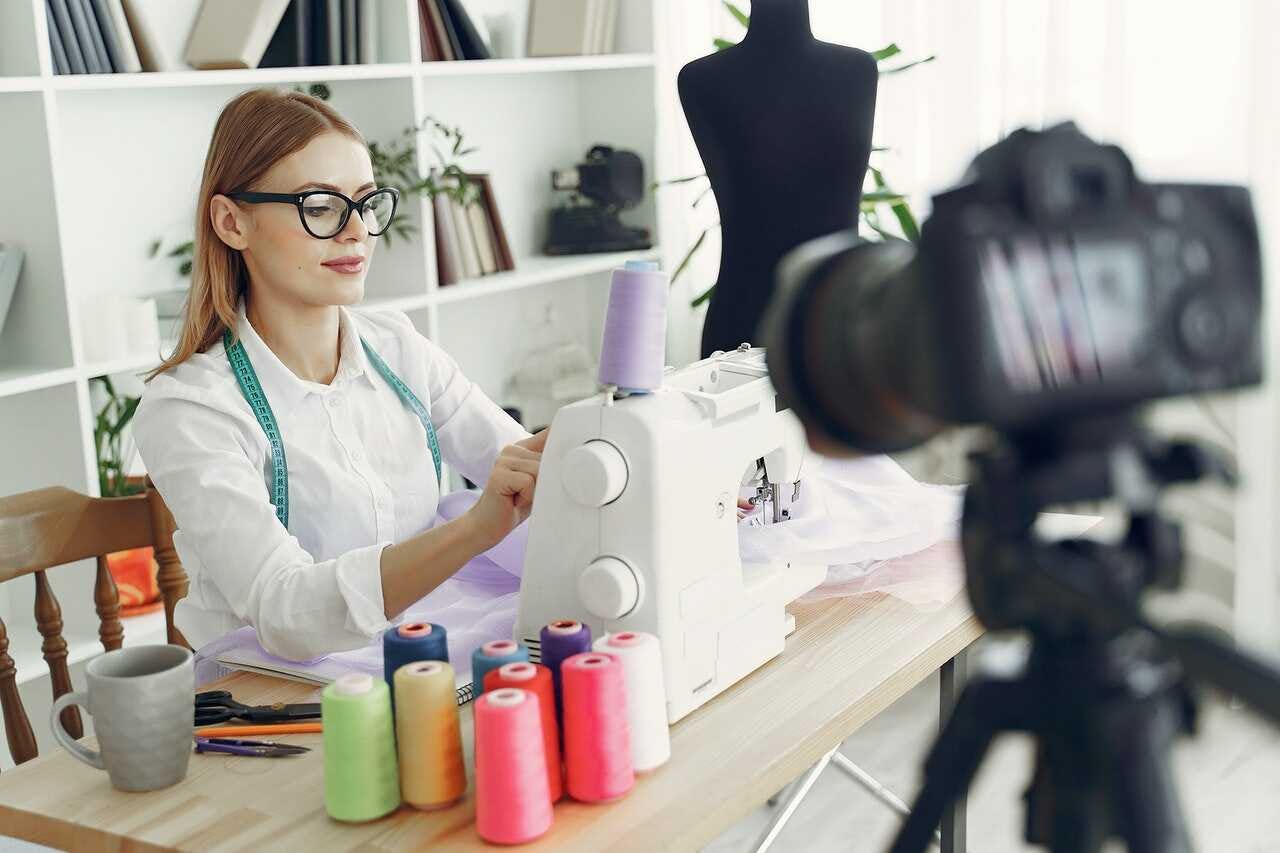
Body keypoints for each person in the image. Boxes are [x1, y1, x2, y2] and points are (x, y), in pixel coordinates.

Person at [133, 88, 542, 661]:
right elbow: (285, 611)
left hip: (419, 648)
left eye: (366, 203)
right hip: (278, 692)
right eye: (320, 206)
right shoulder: (191, 409)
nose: (356, 232)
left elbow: (525, 468)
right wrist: (475, 529)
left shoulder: (398, 349)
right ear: (231, 222)